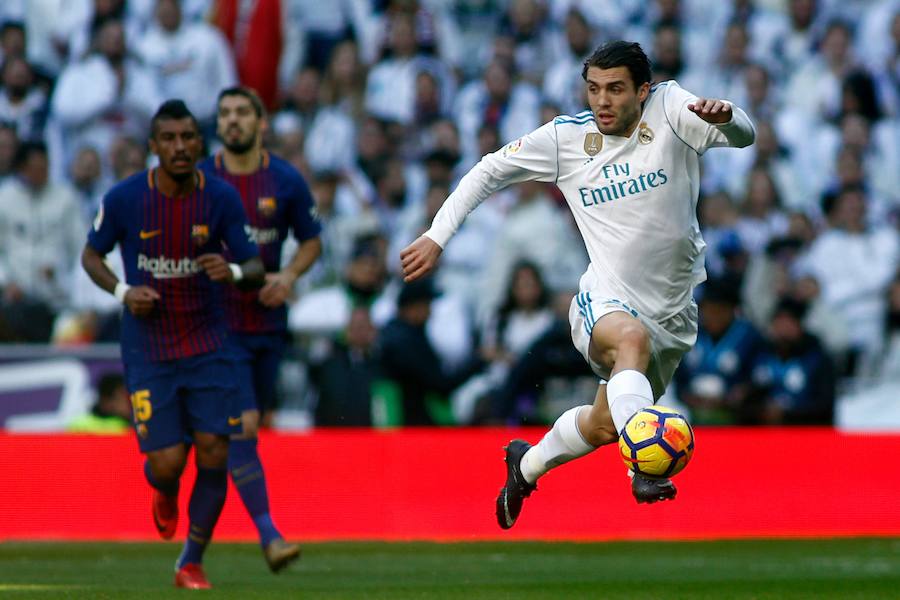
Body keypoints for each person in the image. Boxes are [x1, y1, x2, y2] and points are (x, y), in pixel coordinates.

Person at [400, 41, 755, 529]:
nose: (602, 101)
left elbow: (744, 137)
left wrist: (728, 116)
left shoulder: (672, 109)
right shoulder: (567, 140)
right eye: (593, 90)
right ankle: (643, 470)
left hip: (673, 312)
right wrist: (437, 236)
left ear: (643, 91)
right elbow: (488, 170)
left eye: (615, 89)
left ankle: (524, 467)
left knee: (604, 425)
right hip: (603, 299)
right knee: (631, 341)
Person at [81, 99, 264, 589]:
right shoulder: (124, 199)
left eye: (188, 138)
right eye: (170, 139)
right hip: (149, 348)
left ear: (200, 144)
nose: (180, 147)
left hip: (208, 344)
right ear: (154, 146)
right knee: (167, 463)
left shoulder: (221, 199)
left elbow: (256, 267)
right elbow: (91, 255)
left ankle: (191, 560)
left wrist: (233, 271)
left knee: (213, 452)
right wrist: (122, 291)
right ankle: (163, 491)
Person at [198, 86, 322, 572]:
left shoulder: (285, 181)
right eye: (224, 113)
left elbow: (312, 240)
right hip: (216, 322)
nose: (232, 121)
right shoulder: (202, 179)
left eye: (241, 113)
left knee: (248, 427)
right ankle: (269, 534)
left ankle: (192, 551)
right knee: (243, 425)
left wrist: (288, 276)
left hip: (267, 324)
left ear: (260, 122)